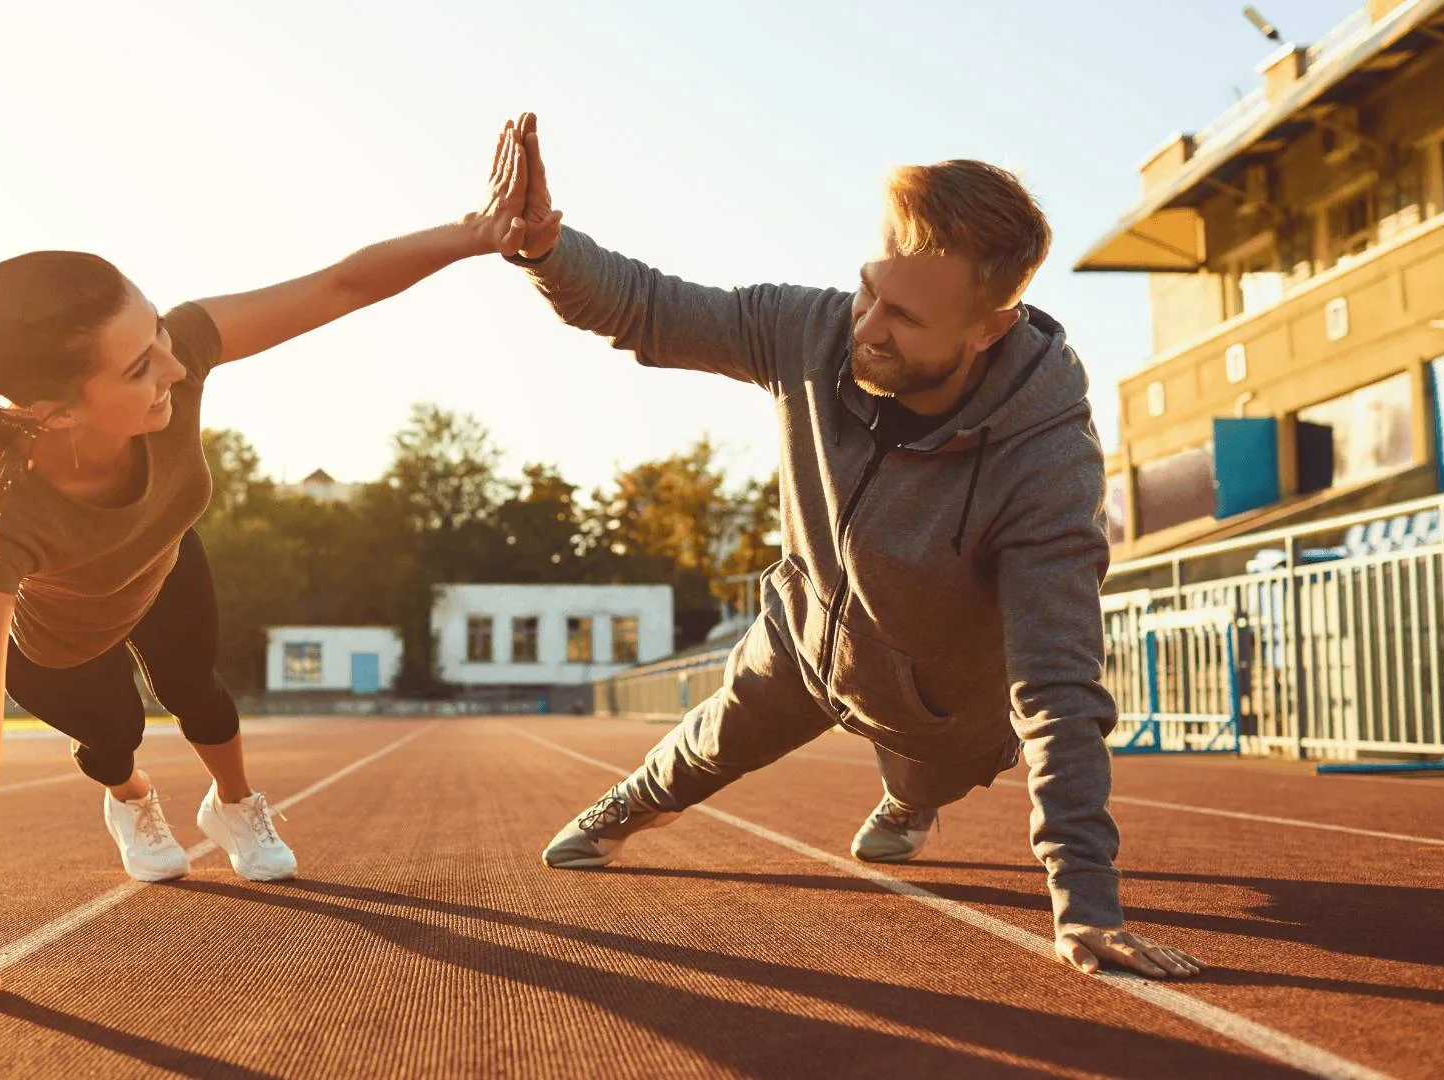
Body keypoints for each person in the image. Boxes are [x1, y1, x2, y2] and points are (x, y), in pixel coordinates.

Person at [0, 118, 536, 1010]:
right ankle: (133, 795)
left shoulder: (177, 355)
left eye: (159, 335)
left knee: (205, 698)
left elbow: (337, 284)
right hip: (60, 642)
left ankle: (233, 806)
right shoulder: (5, 519)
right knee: (113, 736)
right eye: (141, 368)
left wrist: (478, 233)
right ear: (54, 414)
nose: (176, 368)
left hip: (164, 564)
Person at [510, 113, 1203, 980]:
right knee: (699, 749)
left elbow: (1059, 683)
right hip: (804, 645)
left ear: (989, 327)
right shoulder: (812, 332)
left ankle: (910, 803)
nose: (868, 327)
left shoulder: (1047, 462)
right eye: (867, 290)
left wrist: (1086, 902)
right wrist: (544, 248)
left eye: (905, 318)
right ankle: (632, 805)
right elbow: (648, 307)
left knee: (925, 782)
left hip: (941, 707)